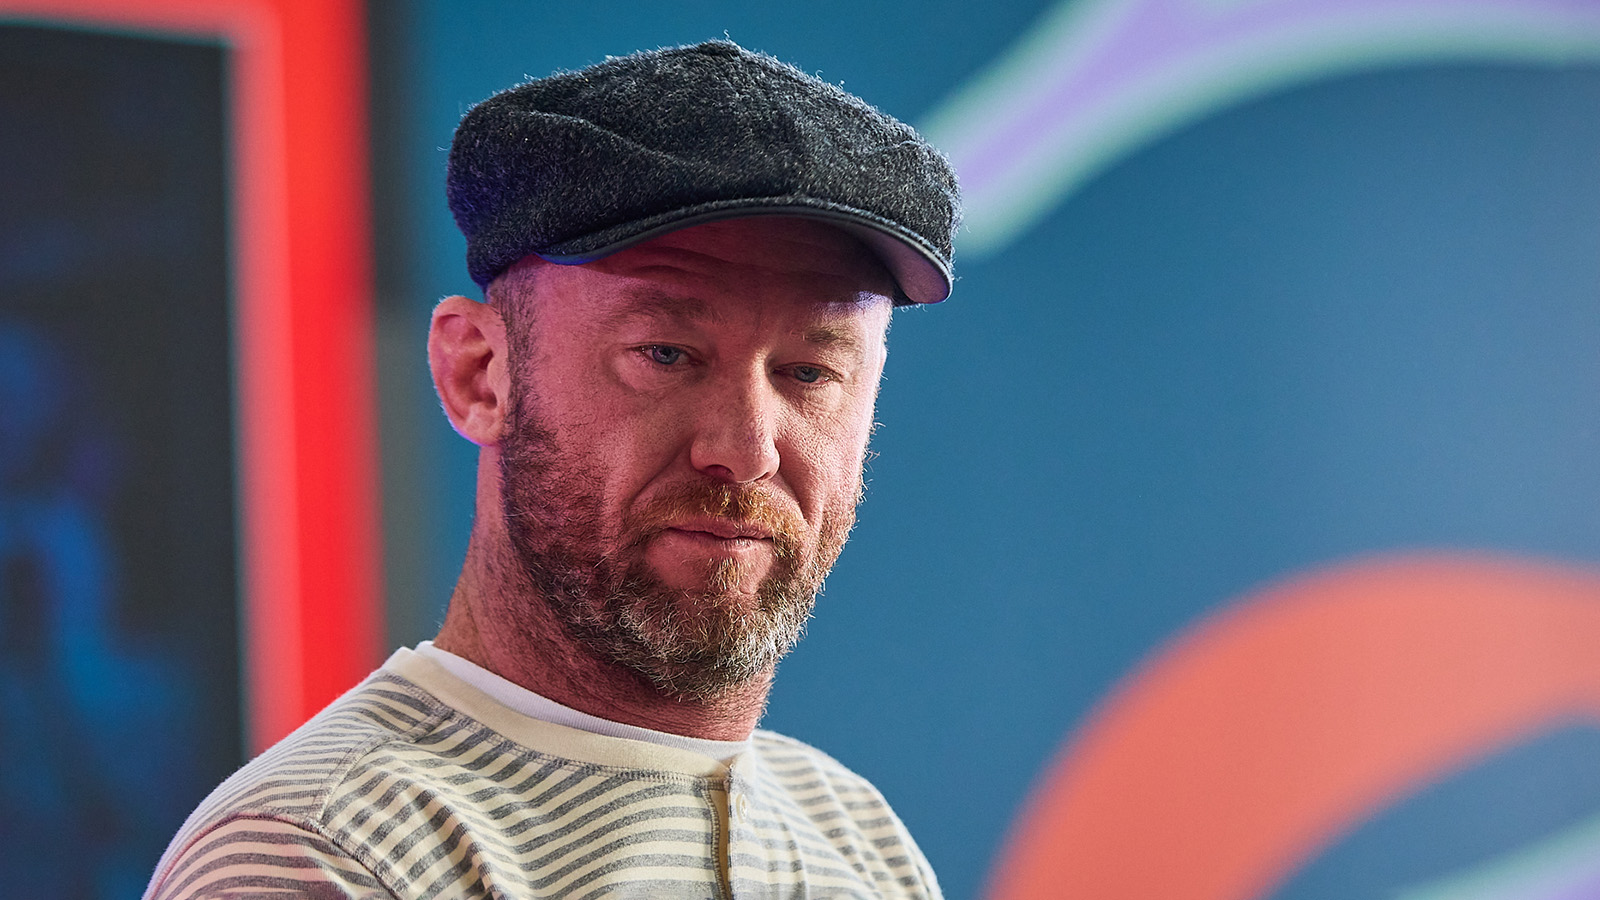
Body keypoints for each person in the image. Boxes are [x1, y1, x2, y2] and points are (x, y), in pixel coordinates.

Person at [143, 39, 959, 900]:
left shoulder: (860, 840)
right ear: (480, 375)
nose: (747, 449)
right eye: (666, 353)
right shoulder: (330, 852)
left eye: (809, 372)